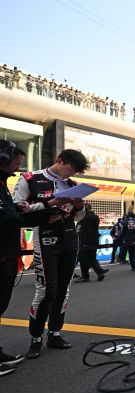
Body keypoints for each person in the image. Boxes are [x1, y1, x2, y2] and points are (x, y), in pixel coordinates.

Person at [13, 149, 90, 359]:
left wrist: (79, 207)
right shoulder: (30, 179)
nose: (71, 174)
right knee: (46, 290)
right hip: (45, 237)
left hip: (70, 238)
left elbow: (78, 218)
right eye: (70, 169)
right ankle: (36, 337)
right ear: (59, 161)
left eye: (75, 172)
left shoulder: (73, 185)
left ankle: (54, 333)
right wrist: (49, 204)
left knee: (64, 288)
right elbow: (17, 210)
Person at [0, 141, 52, 375]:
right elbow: (6, 219)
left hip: (7, 253)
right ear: (2, 158)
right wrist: (43, 216)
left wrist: (20, 208)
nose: (17, 168)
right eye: (16, 163)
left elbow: (8, 214)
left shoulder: (3, 184)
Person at [75, 207, 109, 282]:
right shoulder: (95, 217)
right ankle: (99, 272)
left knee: (83, 259)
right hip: (95, 241)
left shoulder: (85, 219)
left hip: (86, 242)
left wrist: (84, 241)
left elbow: (84, 231)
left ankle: (85, 276)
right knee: (92, 257)